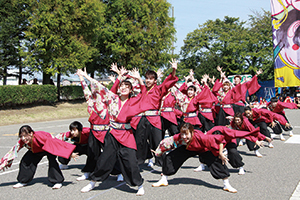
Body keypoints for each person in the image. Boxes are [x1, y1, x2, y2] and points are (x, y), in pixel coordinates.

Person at [78, 67, 147, 195]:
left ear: (131, 89)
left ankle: (139, 184)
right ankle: (93, 181)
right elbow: (99, 87)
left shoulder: (133, 101)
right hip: (113, 134)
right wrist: (86, 77)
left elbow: (144, 95)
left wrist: (139, 79)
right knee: (104, 159)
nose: (124, 87)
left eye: (127, 86)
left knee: (131, 162)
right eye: (122, 86)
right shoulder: (112, 98)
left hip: (127, 135)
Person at [152, 123, 264, 193]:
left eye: (187, 134)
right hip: (188, 149)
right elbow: (166, 143)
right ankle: (164, 179)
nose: (184, 137)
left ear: (192, 132)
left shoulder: (202, 137)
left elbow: (220, 139)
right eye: (182, 134)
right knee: (171, 157)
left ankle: (226, 184)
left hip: (203, 148)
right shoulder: (179, 137)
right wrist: (158, 152)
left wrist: (220, 153)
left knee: (216, 162)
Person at [131, 59, 178, 167]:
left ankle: (162, 164)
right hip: (143, 119)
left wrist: (174, 70)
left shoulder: (159, 89)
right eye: (146, 78)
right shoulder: (143, 89)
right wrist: (138, 77)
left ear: (155, 81)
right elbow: (140, 84)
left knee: (158, 142)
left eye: (151, 79)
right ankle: (138, 162)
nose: (148, 80)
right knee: (140, 141)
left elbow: (168, 82)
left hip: (155, 119)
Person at [0, 125, 77, 189]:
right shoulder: (22, 141)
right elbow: (13, 151)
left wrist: (70, 153)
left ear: (31, 133)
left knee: (52, 162)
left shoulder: (40, 137)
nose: (23, 138)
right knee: (25, 161)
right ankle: (23, 181)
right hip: (35, 150)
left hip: (49, 147)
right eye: (21, 136)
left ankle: (57, 181)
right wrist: (3, 164)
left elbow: (56, 143)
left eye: (25, 135)